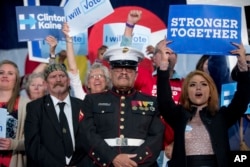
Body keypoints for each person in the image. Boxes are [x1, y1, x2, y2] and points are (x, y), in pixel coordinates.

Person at [157, 41, 250, 167]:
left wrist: (243, 67)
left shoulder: (221, 117)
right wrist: (163, 65)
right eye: (193, 85)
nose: (198, 88)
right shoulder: (178, 116)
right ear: (186, 91)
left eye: (204, 84)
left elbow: (241, 100)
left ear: (211, 91)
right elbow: (164, 101)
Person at [80, 46, 165, 167]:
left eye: (129, 69)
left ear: (136, 75)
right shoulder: (92, 100)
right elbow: (87, 134)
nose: (124, 72)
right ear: (110, 73)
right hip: (103, 163)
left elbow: (157, 137)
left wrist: (133, 162)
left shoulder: (151, 102)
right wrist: (112, 157)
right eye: (119, 69)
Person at [24, 63, 87, 167]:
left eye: (62, 76)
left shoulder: (82, 106)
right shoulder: (35, 108)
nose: (58, 80)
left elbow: (89, 140)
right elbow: (33, 146)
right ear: (45, 84)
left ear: (68, 81)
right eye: (53, 76)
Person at [61, 23, 111, 98]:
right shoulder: (82, 98)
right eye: (92, 76)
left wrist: (130, 25)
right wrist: (68, 39)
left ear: (107, 82)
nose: (97, 78)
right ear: (88, 84)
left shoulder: (115, 100)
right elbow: (73, 70)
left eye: (100, 76)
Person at [0, 60, 30, 167]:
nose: (5, 76)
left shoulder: (27, 105)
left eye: (10, 73)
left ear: (16, 79)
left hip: (13, 162)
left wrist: (14, 144)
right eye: (1, 72)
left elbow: (35, 140)